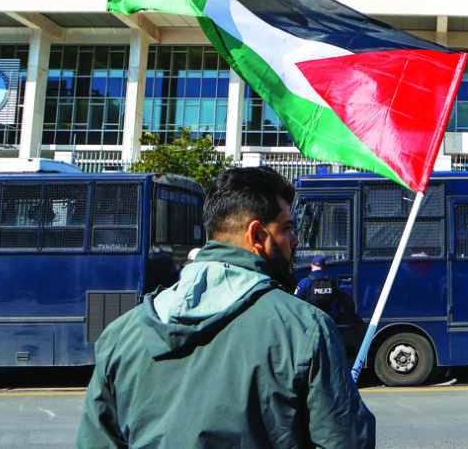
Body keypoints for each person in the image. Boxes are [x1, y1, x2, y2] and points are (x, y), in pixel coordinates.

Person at [77, 166, 375, 448]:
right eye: (287, 228)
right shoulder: (305, 329)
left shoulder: (120, 335)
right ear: (258, 236)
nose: (295, 240)